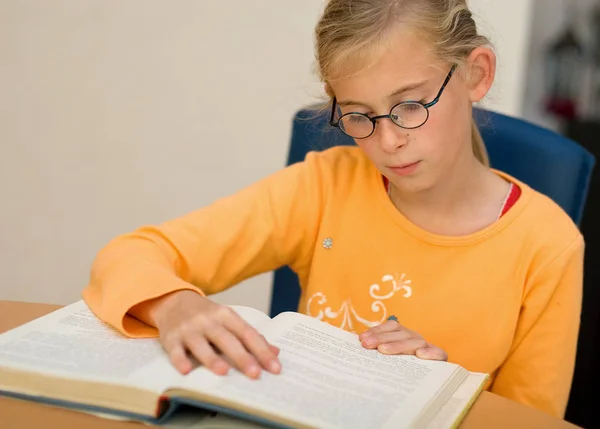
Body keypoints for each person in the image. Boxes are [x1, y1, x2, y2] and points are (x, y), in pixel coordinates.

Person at [83, 0, 584, 420]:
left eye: (411, 106)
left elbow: (531, 421)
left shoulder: (547, 245)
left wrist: (441, 393)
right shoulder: (324, 186)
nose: (388, 142)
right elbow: (130, 254)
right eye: (359, 116)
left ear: (477, 74)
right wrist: (175, 306)